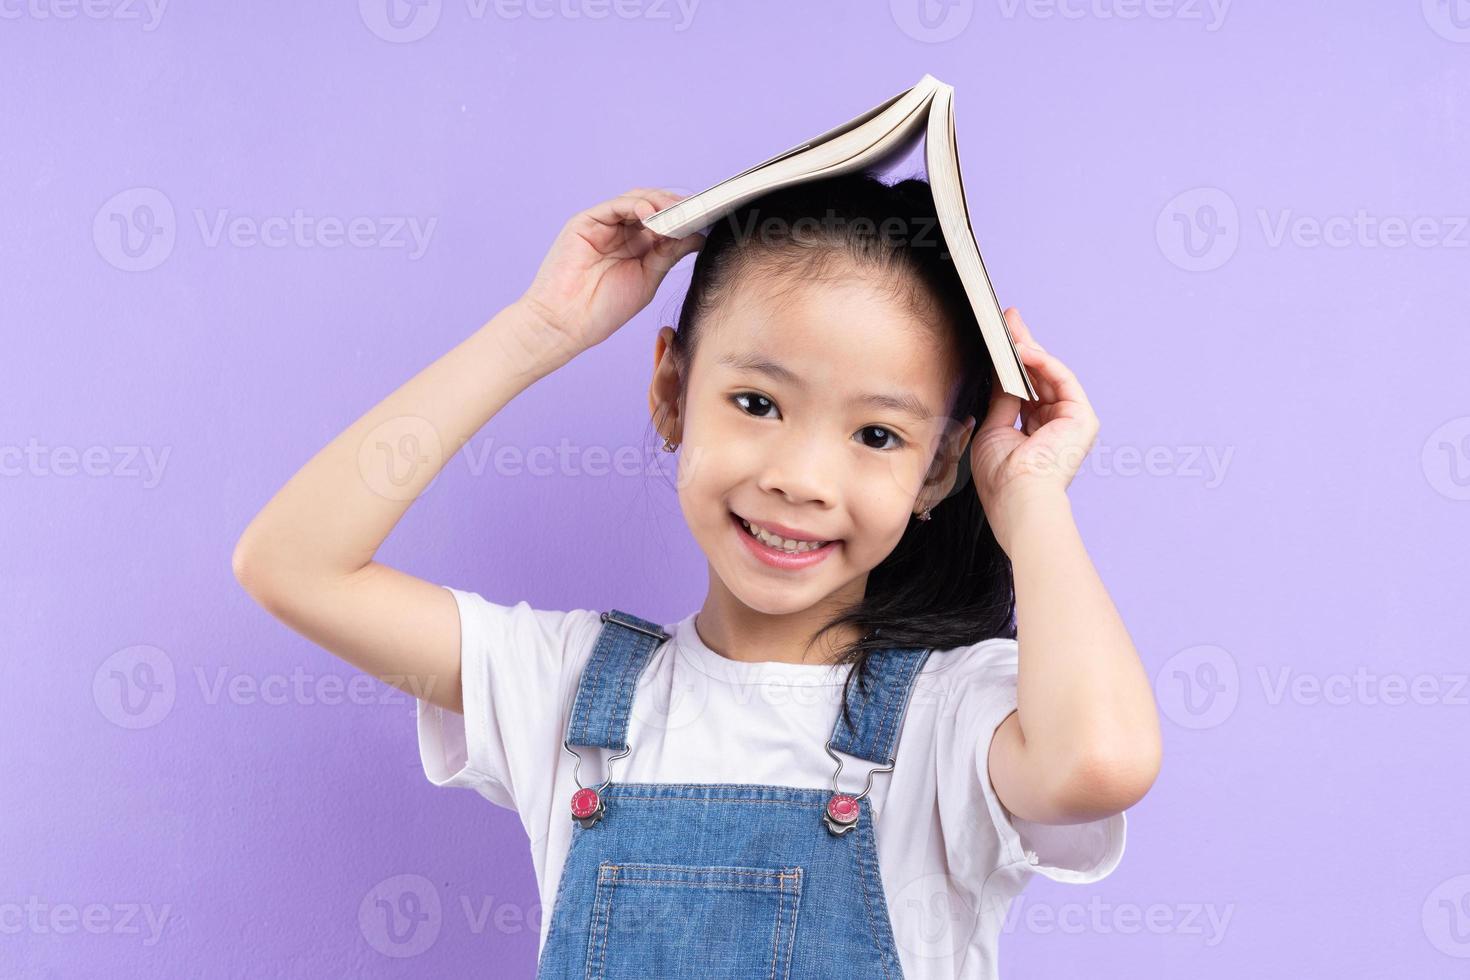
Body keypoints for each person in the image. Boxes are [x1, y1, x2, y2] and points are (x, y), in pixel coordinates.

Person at [232, 171, 1163, 978]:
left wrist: (1030, 493)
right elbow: (293, 564)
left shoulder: (954, 717)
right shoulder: (565, 688)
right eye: (756, 402)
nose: (799, 477)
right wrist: (541, 328)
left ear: (938, 468)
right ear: (672, 390)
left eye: (877, 435)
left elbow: (1099, 764)